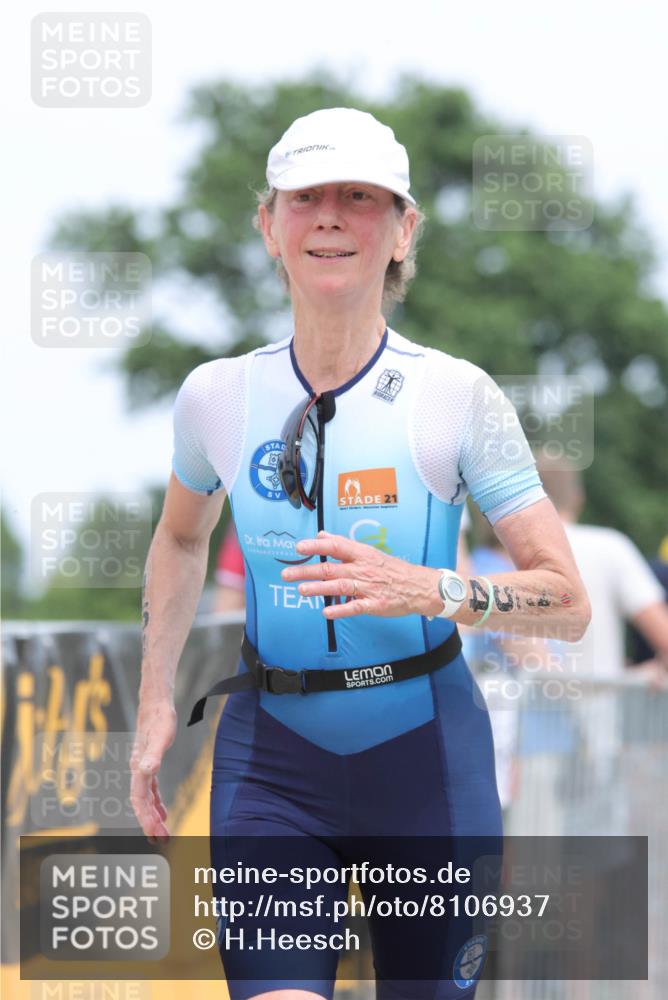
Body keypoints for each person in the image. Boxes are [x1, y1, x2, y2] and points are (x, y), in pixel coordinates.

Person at [130, 107, 591, 1000]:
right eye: (306, 197)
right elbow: (182, 535)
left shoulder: (456, 397)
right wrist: (155, 699)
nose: (332, 217)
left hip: (426, 760)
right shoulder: (217, 396)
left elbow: (566, 600)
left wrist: (430, 587)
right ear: (269, 225)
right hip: (272, 763)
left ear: (403, 228)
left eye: (360, 196)